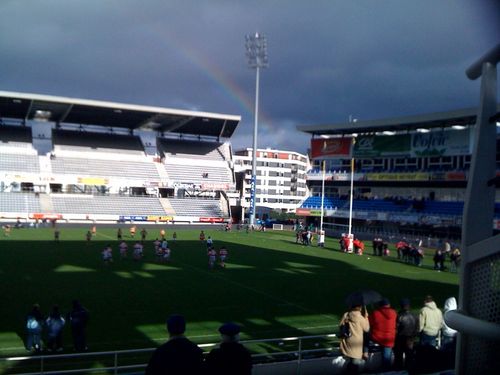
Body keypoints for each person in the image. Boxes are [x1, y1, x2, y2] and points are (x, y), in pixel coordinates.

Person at [339, 304, 370, 374]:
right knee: (355, 363)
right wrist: (366, 318)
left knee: (351, 360)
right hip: (356, 343)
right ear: (359, 308)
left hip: (348, 341)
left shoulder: (346, 315)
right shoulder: (360, 318)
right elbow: (367, 329)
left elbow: (340, 325)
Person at [368, 298, 397, 371]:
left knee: (385, 356)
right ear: (388, 305)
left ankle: (385, 369)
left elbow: (369, 323)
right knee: (387, 355)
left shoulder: (375, 313)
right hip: (389, 338)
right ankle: (386, 369)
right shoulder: (393, 312)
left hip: (377, 337)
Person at [393, 298, 419, 370]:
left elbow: (396, 328)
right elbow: (417, 329)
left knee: (399, 357)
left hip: (401, 338)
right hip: (410, 339)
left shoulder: (399, 316)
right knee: (409, 356)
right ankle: (408, 369)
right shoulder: (415, 315)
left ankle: (399, 369)